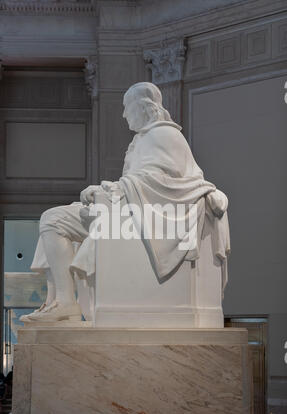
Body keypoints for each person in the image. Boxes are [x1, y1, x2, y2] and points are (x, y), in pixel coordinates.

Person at [20, 82, 229, 323]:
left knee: (53, 219)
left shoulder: (163, 134)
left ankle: (66, 303)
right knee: (52, 218)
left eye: (127, 107)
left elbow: (159, 183)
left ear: (143, 107)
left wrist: (109, 188)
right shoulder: (147, 138)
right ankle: (57, 302)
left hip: (139, 216)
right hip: (129, 210)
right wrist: (113, 189)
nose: (123, 114)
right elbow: (145, 181)